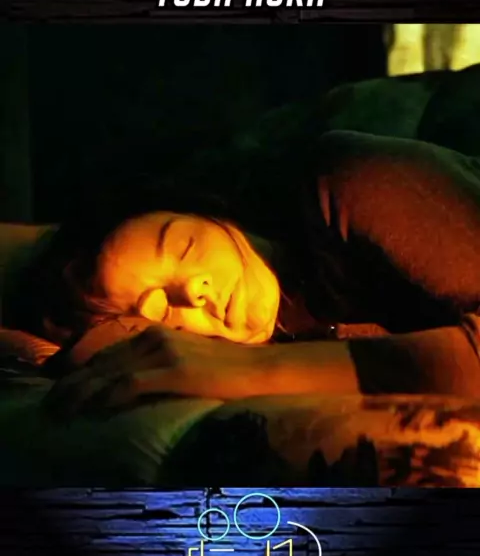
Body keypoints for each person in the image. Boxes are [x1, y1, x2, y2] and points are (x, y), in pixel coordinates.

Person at [2, 115, 480, 419]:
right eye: (160, 311)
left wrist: (256, 369)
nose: (194, 290)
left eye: (184, 246)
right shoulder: (280, 329)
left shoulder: (352, 183)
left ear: (210, 211)